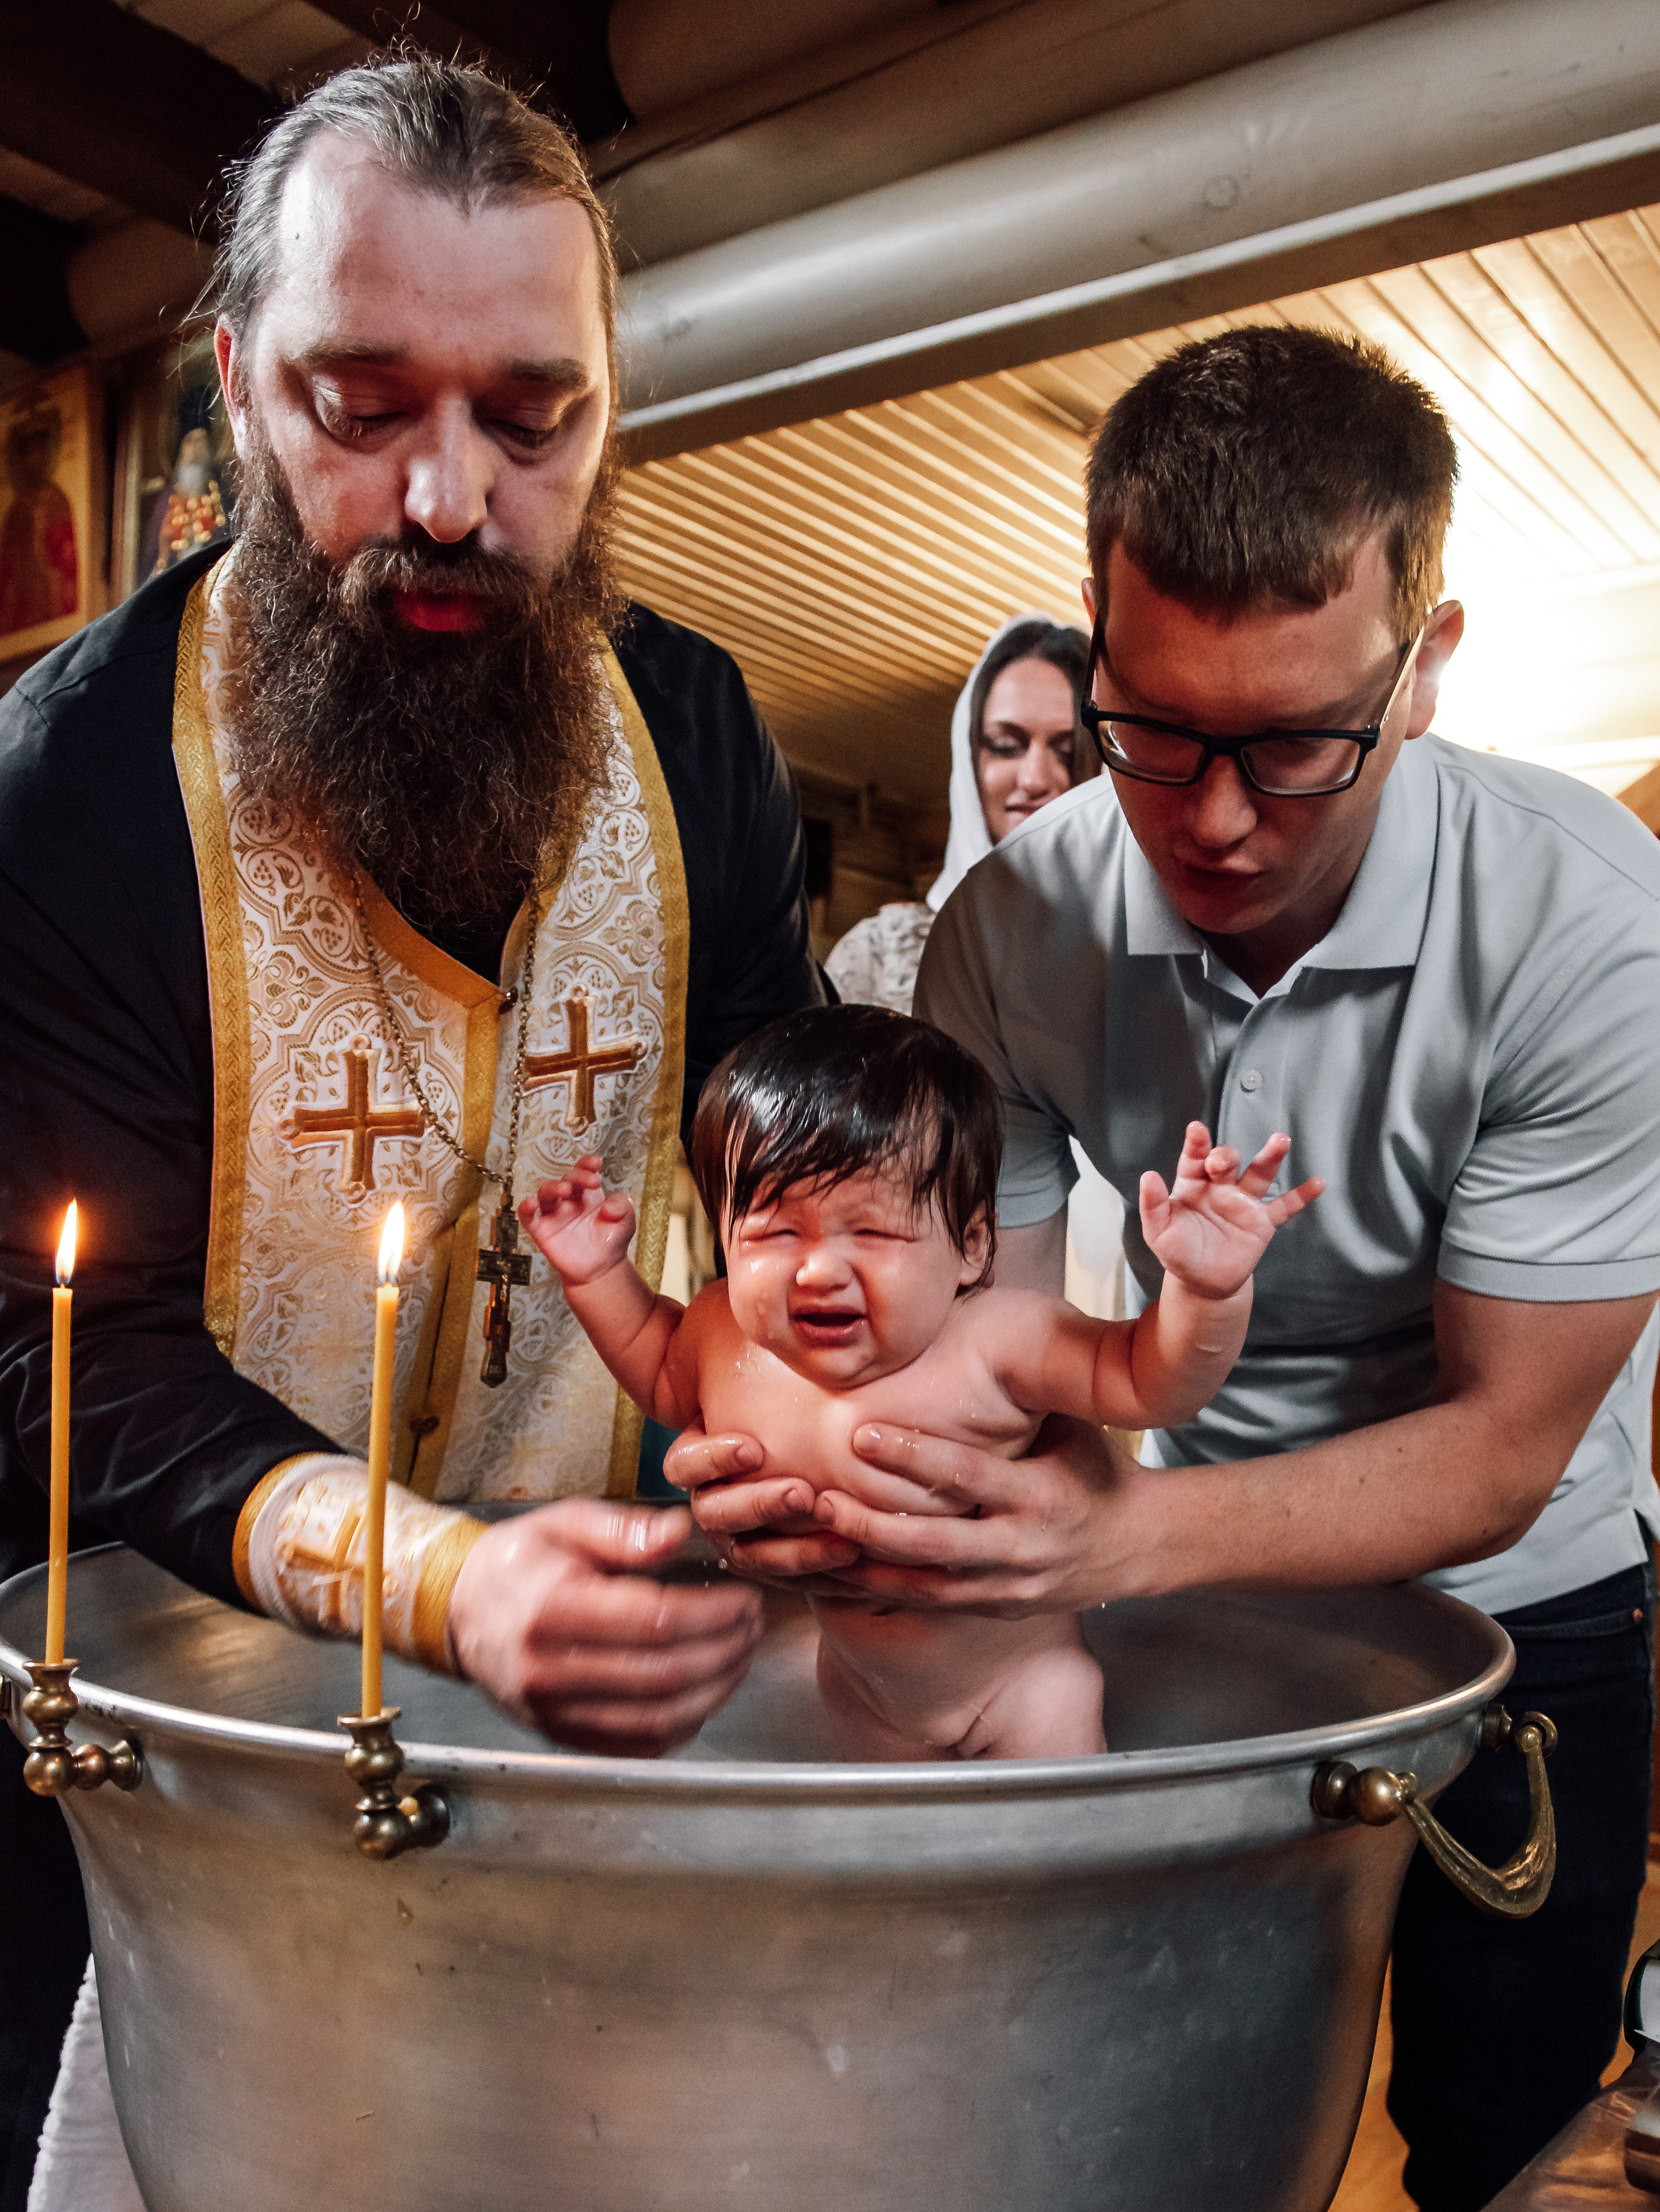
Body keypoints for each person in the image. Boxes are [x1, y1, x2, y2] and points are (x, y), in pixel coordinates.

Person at [672, 325, 1660, 2212]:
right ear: (1092, 643)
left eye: (1293, 746)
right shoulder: (1007, 931)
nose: (1211, 820)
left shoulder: (1588, 924)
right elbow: (1008, 1347)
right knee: (1147, 2115)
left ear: (1426, 665)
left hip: (1527, 1614)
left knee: (1502, 2136)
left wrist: (1110, 1540)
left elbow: (1503, 1445)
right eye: (1155, 734)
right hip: (1178, 1581)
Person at [0, 56, 820, 2207]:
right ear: (231, 389)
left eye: (530, 414)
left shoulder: (701, 739)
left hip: (565, 1758)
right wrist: (442, 1581)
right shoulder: (68, 796)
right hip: (136, 1776)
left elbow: (771, 1146)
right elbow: (49, 1345)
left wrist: (850, 1360)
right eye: (362, 406)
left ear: (610, 407)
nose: (451, 495)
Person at [523, 1004, 1319, 1759]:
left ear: (972, 1247)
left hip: (1020, 1691)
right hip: (860, 1689)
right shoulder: (722, 1336)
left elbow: (1154, 1384)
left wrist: (1204, 1292)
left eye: (871, 1230)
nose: (819, 1268)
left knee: (1037, 1876)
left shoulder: (1002, 1340)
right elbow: (660, 1373)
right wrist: (598, 1277)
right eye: (773, 1231)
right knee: (892, 1879)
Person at [824, 613, 1092, 1016]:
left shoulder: (1146, 964)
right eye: (1006, 745)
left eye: (1067, 752)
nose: (1034, 778)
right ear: (968, 761)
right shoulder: (877, 959)